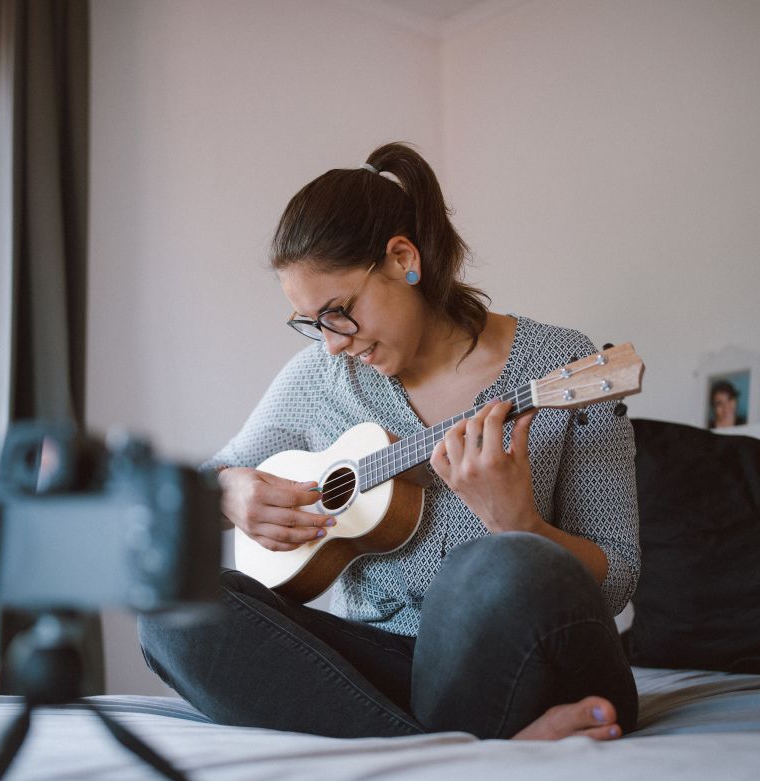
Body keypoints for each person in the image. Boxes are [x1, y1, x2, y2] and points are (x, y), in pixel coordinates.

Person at [139, 142, 640, 742]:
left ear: (403, 257)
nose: (330, 342)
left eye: (339, 311)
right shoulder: (321, 380)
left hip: (532, 656)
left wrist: (520, 524)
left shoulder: (561, 363)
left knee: (494, 564)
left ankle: (429, 745)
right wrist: (227, 489)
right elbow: (196, 485)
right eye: (312, 323)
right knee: (175, 608)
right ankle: (463, 748)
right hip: (390, 665)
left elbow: (617, 579)